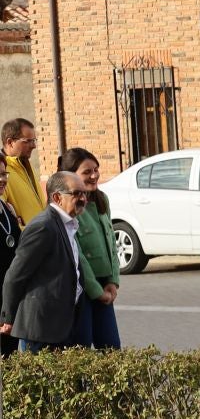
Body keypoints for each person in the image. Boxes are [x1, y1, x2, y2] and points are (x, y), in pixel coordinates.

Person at [0, 171, 89, 351]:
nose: (83, 198)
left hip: (65, 322)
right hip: (43, 329)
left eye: (85, 193)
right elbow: (16, 275)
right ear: (57, 197)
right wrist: (7, 317)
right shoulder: (43, 226)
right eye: (77, 193)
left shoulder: (68, 224)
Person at [56, 147, 120, 349]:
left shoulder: (102, 199)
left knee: (111, 348)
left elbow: (111, 242)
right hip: (82, 288)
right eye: (87, 172)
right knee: (80, 348)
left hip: (104, 285)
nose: (94, 176)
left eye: (96, 170)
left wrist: (113, 280)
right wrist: (96, 291)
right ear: (71, 176)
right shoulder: (67, 207)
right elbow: (78, 256)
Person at [1, 118, 45, 224]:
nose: (34, 146)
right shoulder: (3, 172)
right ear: (10, 142)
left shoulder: (25, 165)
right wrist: (20, 229)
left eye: (34, 140)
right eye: (28, 141)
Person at [0, 158, 22, 356]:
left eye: (3, 174)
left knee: (10, 356)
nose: (2, 179)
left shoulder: (7, 209)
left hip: (9, 298)